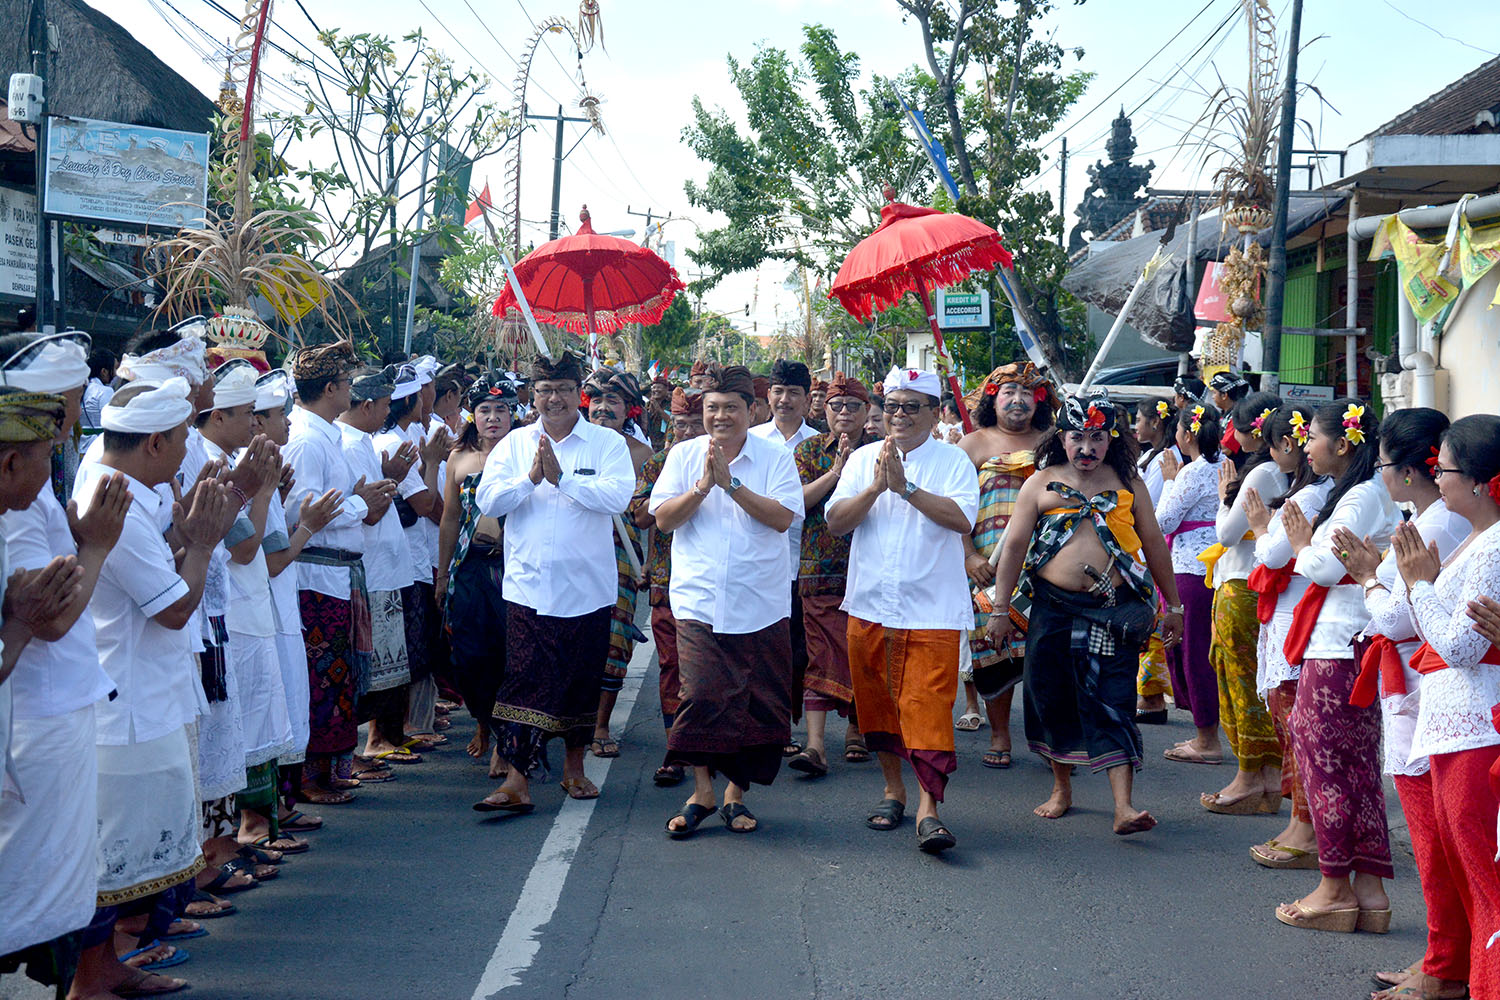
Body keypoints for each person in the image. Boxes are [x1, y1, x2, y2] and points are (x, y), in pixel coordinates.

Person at [69, 379, 237, 999]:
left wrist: (187, 535)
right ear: (158, 441)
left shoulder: (130, 495)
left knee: (137, 855)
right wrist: (200, 542)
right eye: (185, 435)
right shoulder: (116, 501)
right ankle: (93, 977)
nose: (189, 448)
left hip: (144, 699)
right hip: (129, 710)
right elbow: (172, 608)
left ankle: (108, 968)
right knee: (115, 862)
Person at [989, 394, 1182, 836]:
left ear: (1110, 439)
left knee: (1114, 700)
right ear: (1062, 437)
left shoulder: (1129, 482)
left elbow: (1153, 544)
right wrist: (1000, 609)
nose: (1087, 448)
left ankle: (1124, 807)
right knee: (1050, 696)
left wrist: (1175, 606)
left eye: (1097, 437)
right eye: (1078, 437)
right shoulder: (1040, 483)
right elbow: (1015, 547)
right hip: (1052, 609)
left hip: (1114, 611)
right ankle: (1061, 788)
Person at [1331, 408, 1470, 1000]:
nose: (1378, 474)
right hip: (1418, 682)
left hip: (1424, 686)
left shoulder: (1436, 525)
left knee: (1435, 835)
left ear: (1411, 470)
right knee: (1437, 833)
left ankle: (1445, 965)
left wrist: (1368, 576)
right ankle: (1445, 956)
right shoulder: (1435, 518)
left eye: (1383, 463)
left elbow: (1392, 614)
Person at [0, 353, 119, 982]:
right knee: (31, 894)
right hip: (36, 717)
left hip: (54, 707)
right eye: (70, 400)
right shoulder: (13, 506)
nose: (74, 418)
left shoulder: (32, 487)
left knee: (58, 881)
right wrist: (96, 546)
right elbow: (47, 619)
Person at [825, 366, 978, 852]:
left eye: (912, 407)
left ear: (934, 414)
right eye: (891, 406)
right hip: (870, 604)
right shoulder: (863, 459)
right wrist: (875, 487)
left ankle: (928, 810)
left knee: (928, 707)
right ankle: (893, 791)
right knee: (878, 705)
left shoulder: (954, 461)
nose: (899, 416)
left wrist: (907, 488)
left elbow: (961, 518)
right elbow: (835, 523)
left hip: (931, 609)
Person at [474, 352, 634, 812]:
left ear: (577, 393)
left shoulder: (605, 443)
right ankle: (517, 779)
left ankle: (573, 768)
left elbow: (617, 496)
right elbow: (489, 498)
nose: (554, 398)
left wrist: (564, 482)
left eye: (563, 388)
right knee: (524, 679)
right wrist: (530, 480)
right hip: (528, 587)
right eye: (544, 390)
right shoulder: (516, 444)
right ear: (533, 394)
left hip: (587, 588)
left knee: (579, 680)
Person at [650, 364, 803, 837]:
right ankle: (702, 790)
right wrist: (702, 486)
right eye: (712, 407)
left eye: (731, 407)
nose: (720, 416)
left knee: (756, 704)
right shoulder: (683, 455)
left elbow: (782, 519)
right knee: (701, 696)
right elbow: (663, 520)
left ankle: (736, 795)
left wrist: (731, 485)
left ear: (751, 410)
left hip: (760, 601)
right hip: (699, 598)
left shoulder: (773, 457)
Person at [1269, 399, 1398, 933]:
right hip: (1348, 640)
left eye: (1313, 437)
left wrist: (1302, 543)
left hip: (1339, 642)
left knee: (1326, 765)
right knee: (1355, 768)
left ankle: (1334, 887)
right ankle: (1367, 893)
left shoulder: (1362, 495)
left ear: (1343, 444)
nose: (1305, 446)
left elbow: (1323, 566)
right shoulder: (1361, 492)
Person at [1392, 413, 1500, 991]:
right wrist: (1420, 584)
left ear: (1481, 482)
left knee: (1486, 886)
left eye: (1445, 469)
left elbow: (1460, 645)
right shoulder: (1482, 541)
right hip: (1460, 723)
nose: (1439, 479)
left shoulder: (1491, 549)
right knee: (1474, 882)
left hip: (1475, 727)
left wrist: (1417, 584)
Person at [198, 361, 301, 850]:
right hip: (231, 612)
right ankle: (246, 835)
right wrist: (257, 488)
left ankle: (255, 831)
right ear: (217, 417)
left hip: (248, 605)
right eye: (247, 415)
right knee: (243, 726)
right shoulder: (214, 462)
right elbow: (245, 547)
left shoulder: (234, 458)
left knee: (259, 717)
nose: (254, 425)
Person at [283, 340, 389, 804]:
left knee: (337, 675)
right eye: (346, 383)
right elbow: (302, 507)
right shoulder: (307, 439)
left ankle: (327, 769)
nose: (351, 390)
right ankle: (309, 777)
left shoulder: (324, 433)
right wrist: (360, 504)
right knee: (322, 675)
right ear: (329, 389)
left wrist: (360, 499)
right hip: (317, 575)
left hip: (337, 574)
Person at [250, 369, 342, 839]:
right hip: (260, 606)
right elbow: (263, 556)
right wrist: (306, 522)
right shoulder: (246, 469)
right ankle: (258, 820)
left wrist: (277, 496)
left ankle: (276, 810)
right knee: (267, 710)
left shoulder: (272, 462)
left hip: (277, 607)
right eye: (275, 416)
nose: (287, 423)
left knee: (285, 702)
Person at [1242, 402, 1329, 870]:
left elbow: (1273, 555)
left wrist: (1259, 529)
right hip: (1288, 616)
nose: (1303, 448)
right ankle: (1301, 820)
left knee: (1297, 727)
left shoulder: (1315, 496)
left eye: (1308, 439)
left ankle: (1306, 826)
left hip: (1299, 617)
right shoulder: (1306, 491)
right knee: (1289, 724)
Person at [957, 362, 1056, 767]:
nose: (1018, 401)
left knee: (1044, 653)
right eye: (1008, 392)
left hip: (1045, 564)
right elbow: (956, 506)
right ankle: (1000, 735)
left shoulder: (1054, 443)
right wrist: (969, 554)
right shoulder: (972, 444)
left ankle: (1052, 740)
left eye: (1026, 393)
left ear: (1040, 401)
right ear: (992, 399)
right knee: (992, 648)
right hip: (987, 566)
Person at [1200, 392, 1286, 813]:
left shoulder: (1262, 473)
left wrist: (1222, 498)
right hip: (1255, 583)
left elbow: (1227, 534)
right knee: (1252, 679)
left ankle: (1251, 775)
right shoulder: (1280, 470)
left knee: (1240, 681)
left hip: (1240, 585)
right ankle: (1265, 777)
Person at [789, 372, 874, 777]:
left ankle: (858, 731)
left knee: (864, 653)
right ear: (823, 410)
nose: (844, 413)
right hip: (819, 570)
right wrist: (837, 473)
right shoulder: (808, 451)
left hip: (871, 569)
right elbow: (794, 504)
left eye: (853, 406)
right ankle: (816, 745)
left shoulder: (882, 451)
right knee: (821, 655)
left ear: (867, 412)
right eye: (836, 406)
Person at [338, 368, 418, 773]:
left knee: (386, 667)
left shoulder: (361, 442)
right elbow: (367, 511)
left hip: (385, 568)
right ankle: (369, 743)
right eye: (385, 406)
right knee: (368, 670)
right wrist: (393, 481)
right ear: (367, 406)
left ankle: (379, 738)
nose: (389, 413)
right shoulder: (350, 445)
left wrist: (390, 478)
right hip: (372, 570)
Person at [438, 372, 516, 776]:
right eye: (484, 409)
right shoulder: (460, 457)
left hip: (511, 569)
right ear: (473, 414)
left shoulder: (524, 452)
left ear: (513, 413)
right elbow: (450, 518)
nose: (492, 418)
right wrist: (442, 576)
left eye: (501, 410)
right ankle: (483, 722)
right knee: (468, 658)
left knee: (509, 655)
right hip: (469, 566)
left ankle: (505, 740)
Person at [629, 386, 707, 786]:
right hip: (666, 580)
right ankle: (675, 749)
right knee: (672, 668)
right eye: (681, 423)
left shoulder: (725, 461)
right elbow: (641, 518)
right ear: (670, 425)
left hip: (712, 585)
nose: (689, 431)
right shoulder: (659, 463)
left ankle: (712, 752)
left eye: (697, 422)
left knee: (713, 672)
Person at [374, 364, 450, 749]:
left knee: (416, 648)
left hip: (414, 557)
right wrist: (433, 463)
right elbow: (425, 503)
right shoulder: (391, 444)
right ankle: (397, 731)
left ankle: (411, 725)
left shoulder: (412, 433)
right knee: (405, 649)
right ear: (410, 401)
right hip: (400, 559)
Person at [581, 368, 653, 760]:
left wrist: (651, 563)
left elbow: (651, 515)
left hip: (620, 555)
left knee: (615, 639)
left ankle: (601, 724)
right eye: (597, 400)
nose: (603, 408)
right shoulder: (570, 444)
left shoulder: (642, 455)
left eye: (614, 401)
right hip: (573, 552)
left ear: (631, 410)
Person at [750, 360, 819, 761]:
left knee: (795, 652)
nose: (784, 399)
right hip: (759, 563)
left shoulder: (819, 444)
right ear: (767, 396)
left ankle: (786, 723)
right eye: (778, 391)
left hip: (803, 564)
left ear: (808, 399)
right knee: (759, 649)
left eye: (794, 392)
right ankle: (763, 726)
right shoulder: (752, 440)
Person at [1156, 402, 1225, 764]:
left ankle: (1207, 738)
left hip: (1191, 568)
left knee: (1192, 651)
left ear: (1185, 434)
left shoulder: (1192, 471)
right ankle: (1206, 728)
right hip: (1216, 566)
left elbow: (1164, 521)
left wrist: (1169, 482)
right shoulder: (1225, 464)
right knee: (1202, 650)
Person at [1132, 397, 1179, 722]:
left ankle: (1154, 698)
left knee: (1152, 623)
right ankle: (1150, 697)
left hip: (1155, 544)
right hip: (1148, 543)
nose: (1136, 425)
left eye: (1139, 419)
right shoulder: (1153, 456)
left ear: (1155, 422)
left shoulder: (1166, 459)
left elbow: (1151, 506)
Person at [81, 346, 117, 429]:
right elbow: (111, 422)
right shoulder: (105, 391)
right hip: (98, 440)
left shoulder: (81, 388)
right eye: (114, 368)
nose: (116, 373)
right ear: (104, 371)